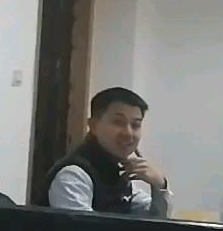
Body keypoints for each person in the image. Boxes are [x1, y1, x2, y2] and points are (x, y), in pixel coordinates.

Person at [36, 87, 172, 217]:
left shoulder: (115, 171)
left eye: (135, 125)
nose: (128, 133)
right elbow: (83, 230)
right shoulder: (73, 175)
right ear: (93, 126)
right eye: (118, 122)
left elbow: (157, 222)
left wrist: (160, 184)